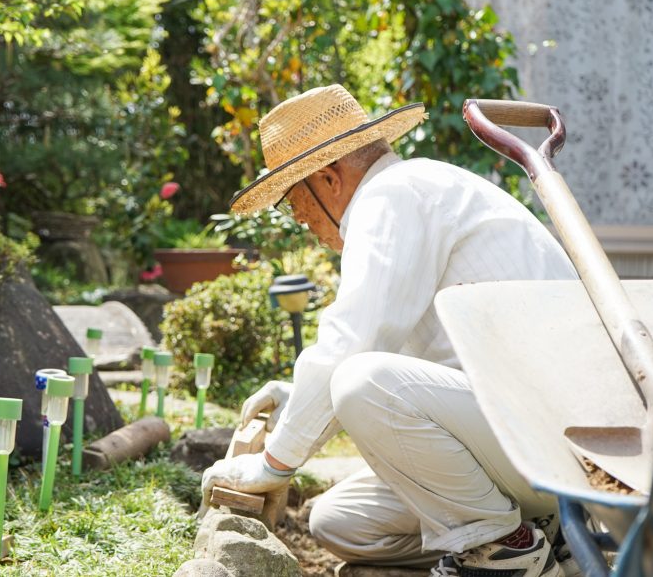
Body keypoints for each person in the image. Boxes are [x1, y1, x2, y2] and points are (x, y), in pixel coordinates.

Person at [200, 85, 579, 577]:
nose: (303, 223)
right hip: (522, 432)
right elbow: (418, 367)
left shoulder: (392, 196)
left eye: (296, 205)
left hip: (549, 441)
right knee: (338, 522)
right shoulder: (413, 192)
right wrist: (298, 395)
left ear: (329, 178)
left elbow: (356, 342)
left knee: (360, 382)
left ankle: (504, 552)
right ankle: (543, 533)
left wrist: (272, 464)